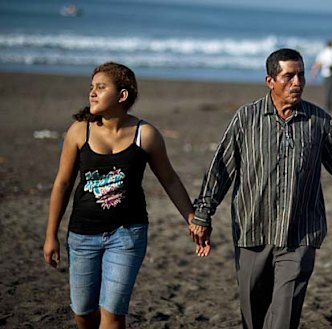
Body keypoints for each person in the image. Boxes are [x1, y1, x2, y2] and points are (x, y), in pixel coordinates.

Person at [189, 48, 332, 329]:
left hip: (300, 234)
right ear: (270, 81)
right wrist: (203, 214)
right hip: (252, 231)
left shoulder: (319, 122)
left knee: (283, 320)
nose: (297, 82)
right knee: (252, 317)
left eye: (301, 75)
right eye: (288, 76)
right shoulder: (247, 119)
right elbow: (220, 168)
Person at [43, 62, 210, 329]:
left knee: (113, 314)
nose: (92, 93)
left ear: (122, 95)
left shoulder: (146, 135)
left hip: (127, 235)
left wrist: (192, 218)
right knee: (84, 314)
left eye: (101, 87)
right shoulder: (79, 131)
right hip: (83, 234)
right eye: (91, 88)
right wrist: (51, 235)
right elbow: (62, 184)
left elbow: (170, 180)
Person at [310, 40, 332, 112]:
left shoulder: (323, 53)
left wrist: (313, 74)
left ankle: (328, 105)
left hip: (327, 73)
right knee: (331, 90)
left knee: (328, 90)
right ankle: (328, 106)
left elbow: (317, 64)